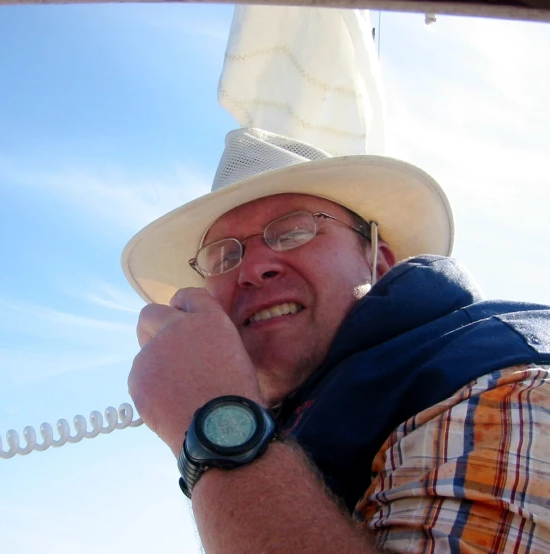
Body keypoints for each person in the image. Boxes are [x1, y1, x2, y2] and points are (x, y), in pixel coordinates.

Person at [122, 128, 550, 553]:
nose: (251, 268)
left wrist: (219, 424)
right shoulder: (291, 431)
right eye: (224, 256)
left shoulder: (503, 381)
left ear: (378, 263)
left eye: (292, 231)